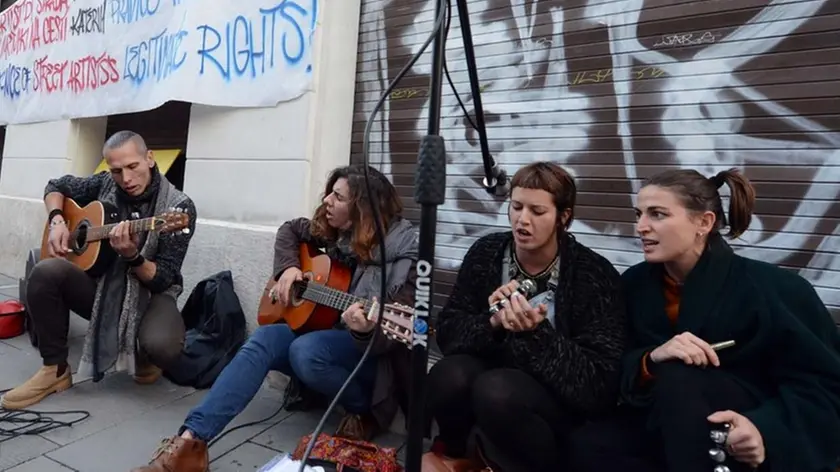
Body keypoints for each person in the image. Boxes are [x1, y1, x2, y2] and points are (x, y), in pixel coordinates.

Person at [131, 164, 417, 472]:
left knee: (305, 350)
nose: (327, 202)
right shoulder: (341, 233)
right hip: (328, 333)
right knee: (265, 338)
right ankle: (190, 443)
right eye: (330, 193)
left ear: (362, 208)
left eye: (338, 196)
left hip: (371, 358)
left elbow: (395, 335)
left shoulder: (405, 251)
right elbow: (290, 230)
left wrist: (363, 329)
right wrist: (288, 269)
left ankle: (362, 412)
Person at [568, 168, 840, 472]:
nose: (641, 227)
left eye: (657, 214)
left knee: (679, 378)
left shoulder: (775, 290)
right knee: (590, 445)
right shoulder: (633, 285)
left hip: (742, 430)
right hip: (660, 421)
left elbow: (823, 387)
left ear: (704, 222)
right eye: (638, 214)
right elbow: (614, 363)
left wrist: (764, 429)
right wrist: (650, 358)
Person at [421, 162, 627, 472]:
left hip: (553, 402)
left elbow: (597, 385)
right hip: (491, 377)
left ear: (564, 217)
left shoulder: (593, 274)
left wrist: (537, 335)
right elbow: (448, 331)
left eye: (538, 211)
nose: (523, 220)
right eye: (516, 207)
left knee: (498, 389)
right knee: (449, 374)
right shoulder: (486, 252)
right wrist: (492, 322)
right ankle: (457, 453)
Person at [0, 131, 197, 410]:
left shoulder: (177, 208)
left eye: (133, 167)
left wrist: (132, 256)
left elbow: (163, 278)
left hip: (151, 294)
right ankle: (54, 370)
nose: (126, 179)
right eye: (117, 171)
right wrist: (57, 221)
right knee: (45, 271)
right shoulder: (104, 183)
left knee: (163, 346)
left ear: (150, 159)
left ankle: (144, 352)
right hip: (103, 285)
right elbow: (56, 185)